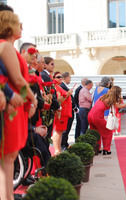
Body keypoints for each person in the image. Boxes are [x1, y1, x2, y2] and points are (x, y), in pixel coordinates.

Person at [0, 10, 37, 200]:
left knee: (7, 160)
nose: (21, 26)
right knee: (8, 159)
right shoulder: (6, 47)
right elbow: (18, 80)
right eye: (17, 23)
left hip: (13, 108)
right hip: (11, 111)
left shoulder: (7, 47)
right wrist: (33, 98)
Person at [88, 86, 126, 155]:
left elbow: (115, 100)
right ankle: (106, 149)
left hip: (90, 115)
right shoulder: (110, 100)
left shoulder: (104, 97)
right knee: (108, 132)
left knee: (96, 133)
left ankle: (97, 149)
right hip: (97, 117)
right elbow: (120, 106)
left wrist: (123, 97)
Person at [52, 72, 72, 155]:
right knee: (58, 131)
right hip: (61, 113)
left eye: (61, 77)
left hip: (64, 113)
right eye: (58, 77)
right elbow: (59, 100)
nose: (60, 78)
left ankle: (58, 149)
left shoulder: (59, 87)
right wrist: (68, 94)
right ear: (54, 78)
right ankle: (57, 150)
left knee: (60, 132)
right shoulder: (56, 87)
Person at [60, 72, 75, 150]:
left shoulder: (64, 86)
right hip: (65, 111)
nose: (70, 79)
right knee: (65, 129)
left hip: (70, 110)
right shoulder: (62, 86)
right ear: (65, 78)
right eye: (69, 78)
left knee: (67, 128)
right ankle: (63, 145)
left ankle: (65, 143)